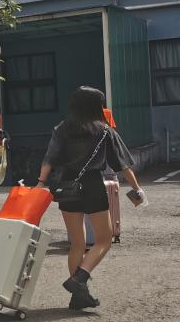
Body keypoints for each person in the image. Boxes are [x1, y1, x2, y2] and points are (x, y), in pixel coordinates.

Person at [36, 87, 145, 309]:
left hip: (66, 184)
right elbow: (123, 165)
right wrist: (137, 189)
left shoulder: (62, 129)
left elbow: (50, 157)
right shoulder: (104, 130)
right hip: (92, 184)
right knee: (104, 240)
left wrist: (40, 182)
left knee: (77, 243)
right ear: (97, 106)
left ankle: (78, 296)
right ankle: (80, 278)